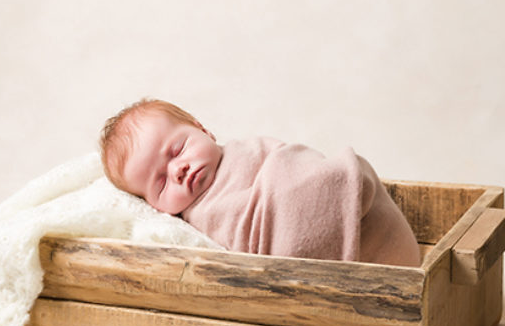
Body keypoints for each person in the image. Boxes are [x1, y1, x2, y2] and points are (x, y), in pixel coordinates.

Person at [100, 99, 421, 267]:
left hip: (365, 231)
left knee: (345, 177)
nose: (178, 171)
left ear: (203, 129)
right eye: (160, 183)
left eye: (177, 149)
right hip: (308, 267)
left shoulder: (253, 149)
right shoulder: (190, 226)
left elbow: (301, 168)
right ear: (153, 206)